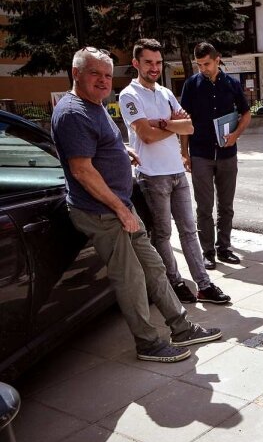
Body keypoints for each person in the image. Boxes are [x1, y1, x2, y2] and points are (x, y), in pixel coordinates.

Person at [51, 47, 222, 363]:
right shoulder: (73, 112)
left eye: (107, 74)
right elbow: (81, 170)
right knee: (130, 278)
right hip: (103, 212)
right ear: (76, 74)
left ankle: (182, 327)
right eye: (95, 74)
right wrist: (120, 210)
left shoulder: (94, 105)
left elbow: (98, 148)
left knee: (154, 267)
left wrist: (121, 150)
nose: (104, 81)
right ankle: (148, 343)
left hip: (120, 207)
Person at [119, 39, 230, 305]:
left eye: (158, 62)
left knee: (189, 232)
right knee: (163, 234)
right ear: (136, 63)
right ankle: (175, 282)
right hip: (152, 175)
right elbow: (145, 135)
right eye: (148, 62)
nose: (154, 67)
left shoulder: (166, 93)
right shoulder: (129, 96)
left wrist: (164, 124)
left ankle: (204, 285)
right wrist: (173, 125)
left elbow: (190, 127)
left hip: (177, 172)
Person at [180, 42, 251, 270]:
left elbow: (247, 113)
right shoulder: (191, 85)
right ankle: (208, 252)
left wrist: (236, 134)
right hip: (200, 153)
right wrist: (184, 153)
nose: (203, 68)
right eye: (199, 65)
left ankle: (224, 248)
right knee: (203, 207)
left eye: (207, 64)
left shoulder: (231, 84)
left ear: (217, 59)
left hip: (227, 153)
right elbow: (185, 121)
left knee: (226, 205)